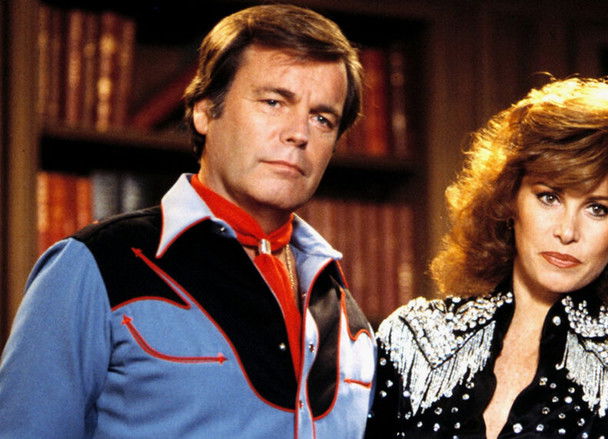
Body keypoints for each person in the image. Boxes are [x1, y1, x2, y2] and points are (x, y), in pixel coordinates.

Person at [0, 5, 374, 438]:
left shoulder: (346, 313)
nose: (299, 133)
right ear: (204, 111)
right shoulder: (95, 266)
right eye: (274, 102)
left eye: (322, 118)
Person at [366, 77, 608, 438]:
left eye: (597, 209)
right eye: (549, 197)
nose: (567, 231)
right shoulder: (413, 338)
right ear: (509, 199)